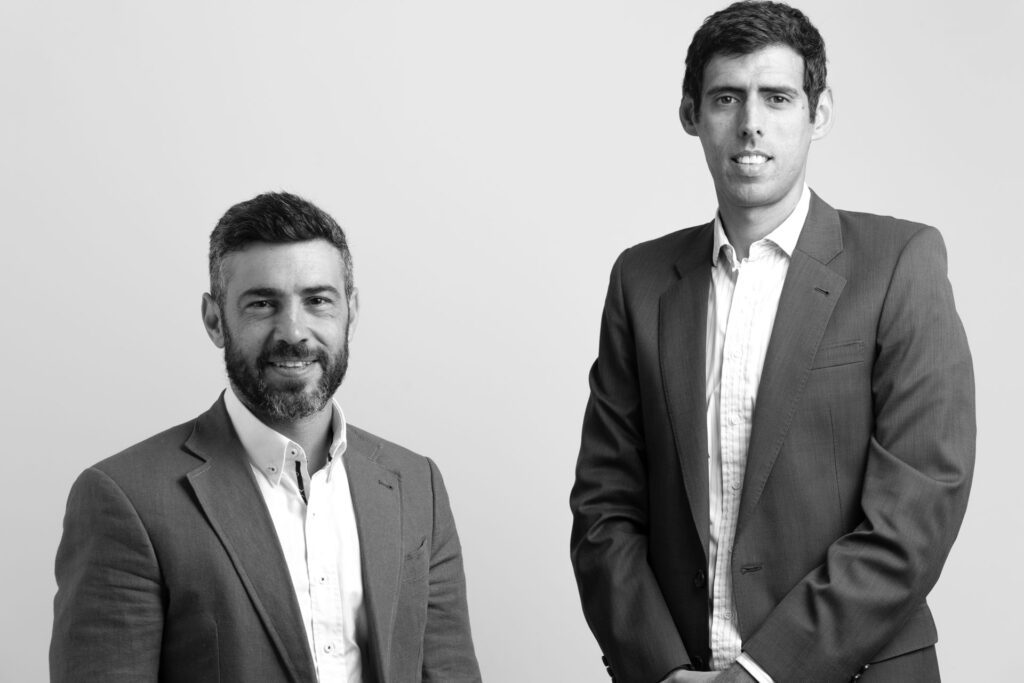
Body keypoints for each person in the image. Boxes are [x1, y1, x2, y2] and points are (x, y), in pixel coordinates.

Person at [569, 2, 975, 682]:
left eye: (777, 98)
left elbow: (917, 511)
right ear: (691, 114)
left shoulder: (899, 263)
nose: (750, 123)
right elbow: (603, 508)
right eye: (727, 97)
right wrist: (663, 668)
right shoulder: (641, 281)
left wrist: (759, 673)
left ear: (819, 113)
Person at [50, 192, 481, 683]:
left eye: (318, 300)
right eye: (262, 304)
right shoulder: (125, 498)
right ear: (215, 320)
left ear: (352, 312)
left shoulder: (417, 484)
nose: (293, 332)